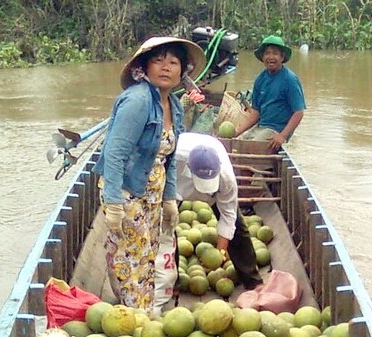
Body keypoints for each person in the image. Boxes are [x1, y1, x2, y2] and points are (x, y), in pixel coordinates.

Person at [92, 37, 206, 315]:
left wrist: (169, 199)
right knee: (133, 259)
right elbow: (115, 154)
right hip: (127, 191)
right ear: (144, 67)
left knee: (147, 256)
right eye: (158, 60)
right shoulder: (138, 101)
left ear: (183, 71)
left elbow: (167, 159)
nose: (166, 67)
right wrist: (114, 204)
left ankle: (138, 312)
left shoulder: (174, 106)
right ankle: (137, 320)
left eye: (173, 62)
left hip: (152, 194)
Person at [175, 132, 263, 289]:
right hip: (174, 188)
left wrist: (219, 253)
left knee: (237, 228)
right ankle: (172, 280)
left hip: (216, 187)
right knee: (164, 229)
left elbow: (228, 217)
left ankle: (252, 281)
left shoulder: (226, 178)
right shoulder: (173, 162)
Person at [234, 35, 306, 152]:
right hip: (260, 127)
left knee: (249, 148)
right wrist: (237, 131)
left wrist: (282, 136)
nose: (270, 57)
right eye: (267, 53)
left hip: (275, 130)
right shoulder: (260, 79)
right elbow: (256, 113)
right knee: (236, 144)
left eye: (275, 53)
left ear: (282, 57)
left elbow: (298, 113)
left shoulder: (290, 80)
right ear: (262, 57)